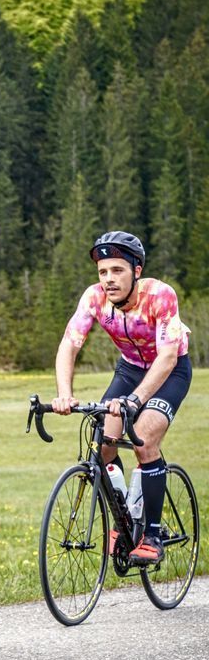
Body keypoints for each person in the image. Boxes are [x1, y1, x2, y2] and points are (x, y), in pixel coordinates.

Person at [52, 230, 192, 564]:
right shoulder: (94, 298)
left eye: (117, 270)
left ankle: (154, 536)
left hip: (169, 370)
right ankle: (125, 519)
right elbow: (69, 344)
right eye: (103, 272)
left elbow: (168, 357)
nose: (109, 280)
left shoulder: (161, 295)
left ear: (137, 270)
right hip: (130, 369)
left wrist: (136, 400)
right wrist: (64, 395)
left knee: (144, 440)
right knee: (103, 442)